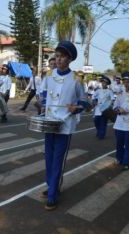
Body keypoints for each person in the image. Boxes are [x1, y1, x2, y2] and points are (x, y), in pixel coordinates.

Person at [40, 41, 88, 210]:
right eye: (57, 56)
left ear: (69, 59)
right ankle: (52, 185)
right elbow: (43, 93)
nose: (58, 59)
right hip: (49, 123)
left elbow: (84, 101)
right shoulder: (49, 75)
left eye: (62, 57)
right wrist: (42, 102)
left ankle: (53, 193)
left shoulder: (76, 79)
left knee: (58, 160)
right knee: (48, 158)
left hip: (65, 125)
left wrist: (76, 108)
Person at [92, 75, 114, 139]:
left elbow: (112, 99)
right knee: (96, 121)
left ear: (107, 84)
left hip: (105, 109)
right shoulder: (98, 90)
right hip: (98, 108)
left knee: (103, 122)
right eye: (102, 82)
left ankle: (101, 134)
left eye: (105, 83)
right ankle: (99, 131)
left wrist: (109, 105)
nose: (103, 84)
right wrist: (94, 101)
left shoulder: (110, 91)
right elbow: (93, 96)